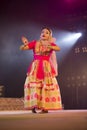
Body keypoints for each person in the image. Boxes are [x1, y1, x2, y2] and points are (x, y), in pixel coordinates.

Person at [20, 27, 62, 113]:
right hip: (35, 67)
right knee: (34, 86)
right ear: (40, 34)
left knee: (45, 86)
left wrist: (50, 45)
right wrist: (25, 44)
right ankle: (34, 105)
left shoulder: (50, 44)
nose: (44, 33)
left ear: (49, 35)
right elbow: (23, 48)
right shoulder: (35, 43)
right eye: (42, 32)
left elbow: (58, 48)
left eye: (46, 32)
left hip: (46, 68)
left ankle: (44, 107)